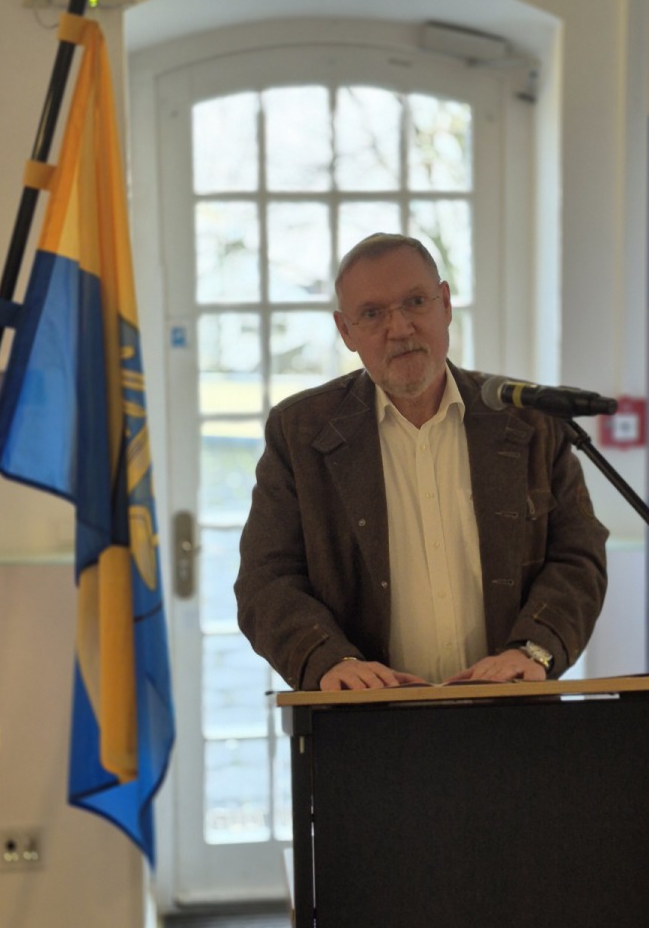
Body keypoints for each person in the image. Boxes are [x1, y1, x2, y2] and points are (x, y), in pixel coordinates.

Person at [235, 233, 608, 692]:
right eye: (372, 314)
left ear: (445, 304)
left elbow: (578, 556)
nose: (400, 328)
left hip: (511, 706)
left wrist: (532, 650)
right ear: (346, 331)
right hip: (363, 714)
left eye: (415, 302)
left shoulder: (528, 418)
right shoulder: (300, 433)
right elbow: (266, 580)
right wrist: (329, 660)